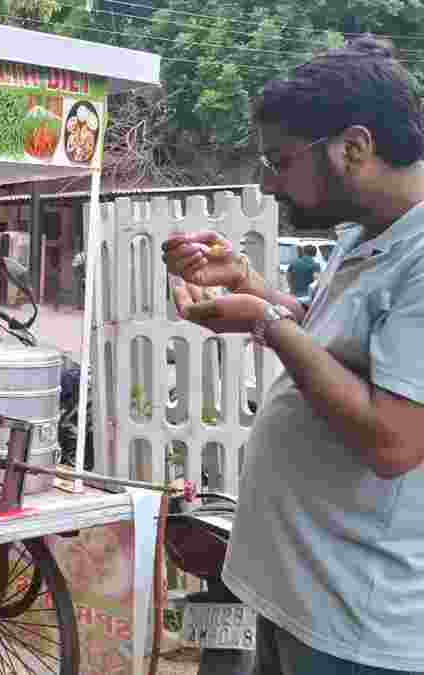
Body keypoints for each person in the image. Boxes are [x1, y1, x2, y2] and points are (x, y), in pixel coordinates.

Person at [162, 37, 424, 674]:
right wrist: (250, 286)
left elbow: (395, 442)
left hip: (358, 625)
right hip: (297, 592)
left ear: (354, 147)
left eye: (279, 160)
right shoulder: (369, 235)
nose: (267, 181)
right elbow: (341, 342)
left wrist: (266, 322)